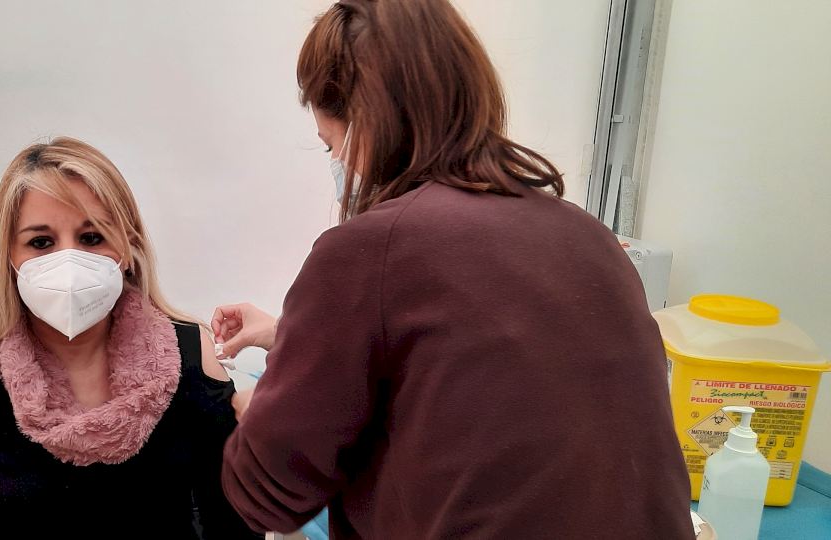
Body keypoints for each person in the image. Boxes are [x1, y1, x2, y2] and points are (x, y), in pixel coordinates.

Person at [213, 1, 693, 538]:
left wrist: (255, 411)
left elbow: (268, 495)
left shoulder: (369, 250)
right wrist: (294, 337)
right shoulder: (590, 237)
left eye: (332, 145)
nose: (337, 164)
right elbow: (482, 370)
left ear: (366, 125)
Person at [0, 137, 259, 539]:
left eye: (91, 237)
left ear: (128, 247)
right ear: (8, 258)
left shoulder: (192, 356)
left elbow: (236, 527)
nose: (68, 262)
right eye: (41, 242)